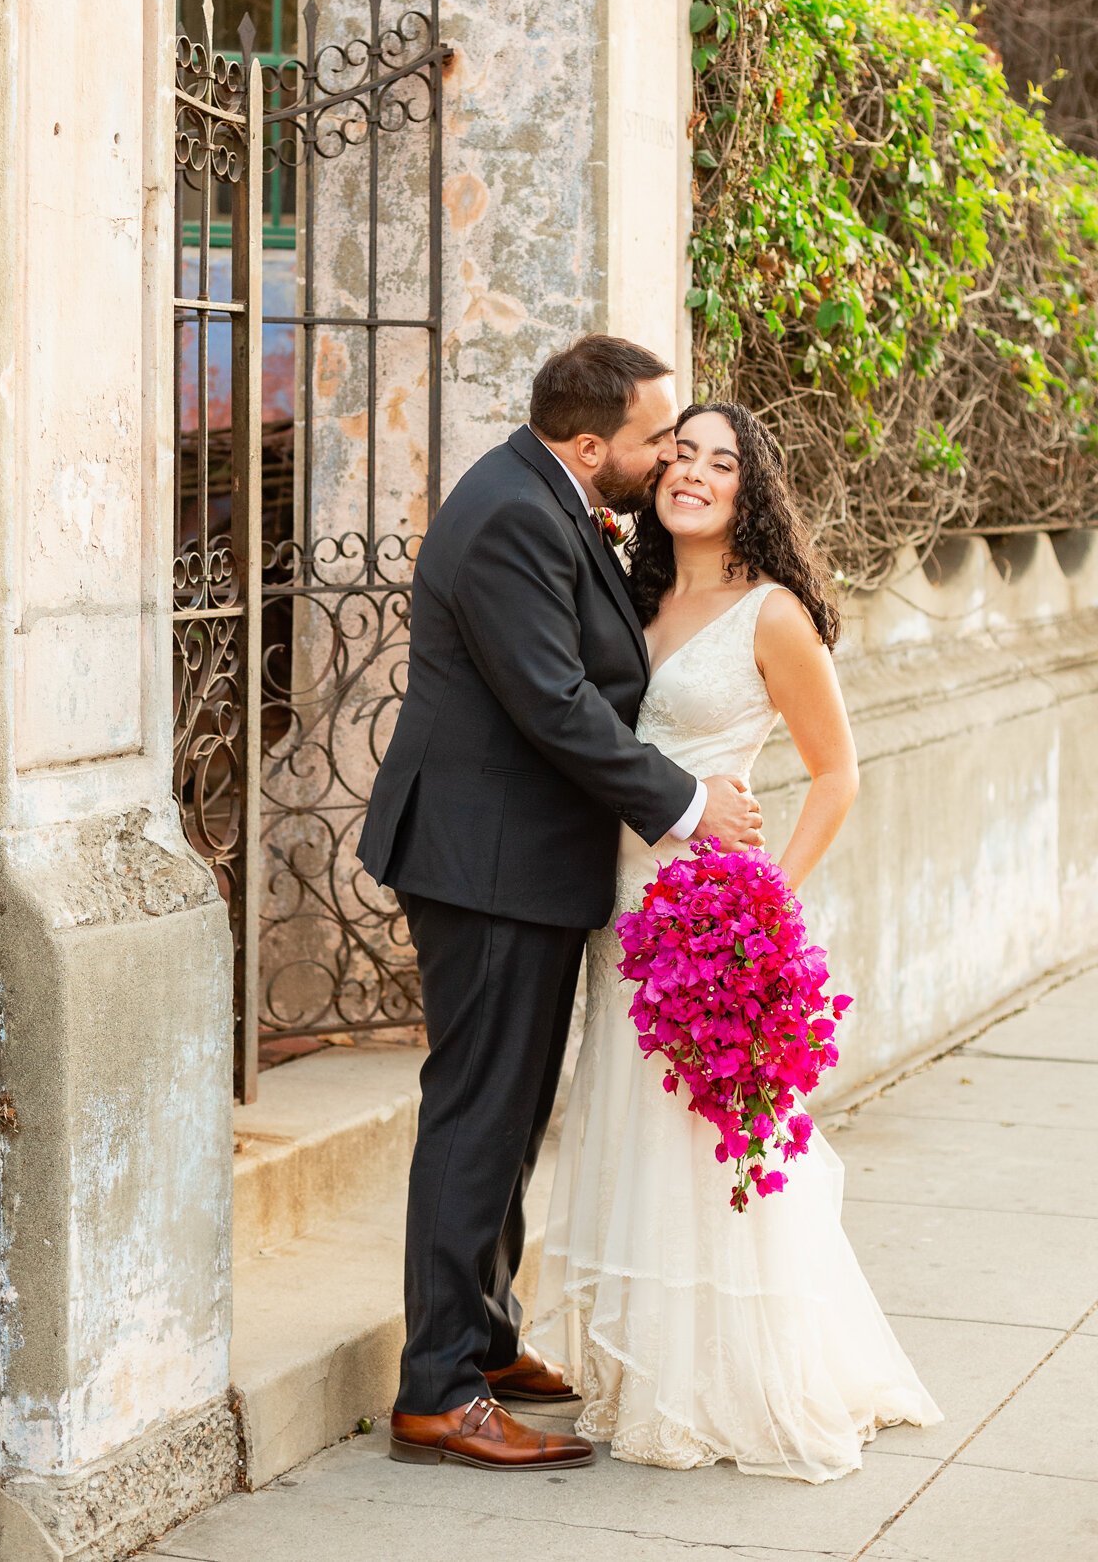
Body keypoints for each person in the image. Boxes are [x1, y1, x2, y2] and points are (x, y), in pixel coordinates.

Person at [357, 336, 765, 1472]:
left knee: (511, 1109)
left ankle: (483, 1342)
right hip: (483, 863)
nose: (665, 454)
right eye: (653, 439)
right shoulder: (510, 517)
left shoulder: (549, 494)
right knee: (478, 1114)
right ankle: (437, 1390)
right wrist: (686, 804)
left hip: (518, 862)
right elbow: (555, 703)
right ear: (592, 443)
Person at [531, 400, 941, 1479]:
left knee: (704, 1149)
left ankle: (716, 1384)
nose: (696, 474)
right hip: (617, 908)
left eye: (722, 462)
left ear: (749, 491)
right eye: (682, 456)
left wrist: (766, 902)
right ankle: (638, 1374)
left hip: (708, 922)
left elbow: (838, 773)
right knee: (628, 1129)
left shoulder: (773, 617)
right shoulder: (630, 593)